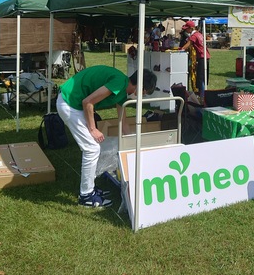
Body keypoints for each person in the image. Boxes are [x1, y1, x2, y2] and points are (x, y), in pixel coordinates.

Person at [56, 65, 157, 208]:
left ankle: (90, 188)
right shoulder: (118, 83)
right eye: (144, 93)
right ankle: (86, 195)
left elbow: (123, 121)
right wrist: (93, 129)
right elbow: (88, 102)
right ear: (139, 87)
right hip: (70, 103)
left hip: (75, 103)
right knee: (92, 149)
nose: (142, 96)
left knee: (93, 148)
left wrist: (133, 142)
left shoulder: (122, 89)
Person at [179, 20, 211, 94]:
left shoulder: (194, 36)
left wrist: (181, 49)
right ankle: (202, 93)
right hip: (206, 56)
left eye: (187, 28)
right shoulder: (199, 34)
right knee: (203, 77)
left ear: (191, 28)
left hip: (202, 57)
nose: (186, 30)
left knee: (200, 78)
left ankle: (202, 95)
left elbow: (188, 44)